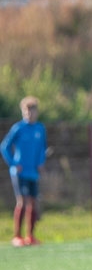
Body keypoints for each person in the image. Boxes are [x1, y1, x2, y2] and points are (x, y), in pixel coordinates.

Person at [2, 96, 47, 247]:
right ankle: (17, 236)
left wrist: (40, 163)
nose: (29, 113)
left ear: (36, 112)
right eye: (26, 110)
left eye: (31, 110)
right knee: (22, 201)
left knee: (33, 202)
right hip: (19, 172)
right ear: (23, 112)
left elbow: (42, 149)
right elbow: (4, 147)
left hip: (33, 172)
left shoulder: (40, 129)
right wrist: (14, 163)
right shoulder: (18, 128)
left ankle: (30, 236)